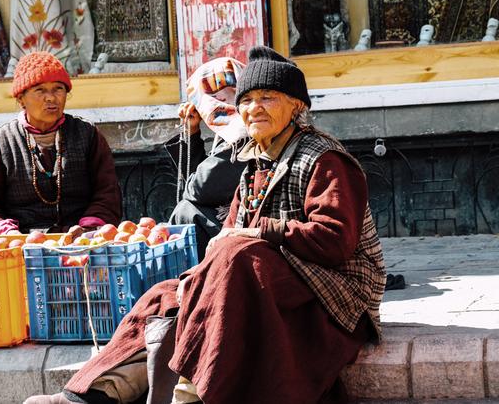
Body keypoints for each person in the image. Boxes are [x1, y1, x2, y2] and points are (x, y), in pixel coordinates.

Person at [24, 46, 386, 404]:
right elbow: (226, 239)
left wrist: (260, 233)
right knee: (166, 296)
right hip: (274, 279)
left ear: (297, 106)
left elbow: (335, 242)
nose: (253, 108)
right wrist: (195, 284)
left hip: (338, 293)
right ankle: (94, 395)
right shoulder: (254, 162)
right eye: (246, 100)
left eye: (268, 98)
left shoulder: (326, 159)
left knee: (235, 256)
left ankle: (192, 396)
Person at [0, 51, 121, 235]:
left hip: (83, 241)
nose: (51, 97)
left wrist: (89, 229)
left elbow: (107, 192)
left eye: (58, 88)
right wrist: (9, 235)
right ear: (21, 98)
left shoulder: (87, 135)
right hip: (23, 245)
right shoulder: (1, 144)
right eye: (40, 90)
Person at [166, 57, 248, 260]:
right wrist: (192, 133)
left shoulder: (243, 132)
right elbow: (201, 183)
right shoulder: (231, 129)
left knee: (186, 212)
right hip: (238, 219)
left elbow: (197, 190)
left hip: (245, 227)